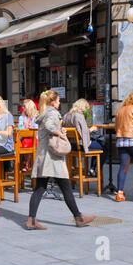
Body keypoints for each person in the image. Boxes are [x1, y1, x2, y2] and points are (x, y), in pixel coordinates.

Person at [28, 90, 95, 230]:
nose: (59, 103)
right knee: (66, 187)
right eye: (58, 101)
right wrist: (60, 132)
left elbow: (47, 128)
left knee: (40, 188)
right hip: (53, 157)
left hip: (44, 155)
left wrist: (59, 130)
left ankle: (31, 220)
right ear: (53, 102)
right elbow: (50, 126)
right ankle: (79, 218)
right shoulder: (52, 112)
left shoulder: (45, 113)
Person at [62, 99, 107, 178]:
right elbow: (84, 133)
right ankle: (95, 170)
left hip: (72, 145)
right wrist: (91, 129)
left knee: (97, 145)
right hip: (81, 145)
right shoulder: (79, 116)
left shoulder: (66, 115)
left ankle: (92, 169)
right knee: (104, 147)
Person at [18, 99, 39, 171]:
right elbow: (19, 129)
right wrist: (25, 126)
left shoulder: (35, 117)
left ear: (29, 107)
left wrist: (26, 128)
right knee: (24, 141)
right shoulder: (21, 118)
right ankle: (27, 164)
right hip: (24, 139)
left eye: (24, 106)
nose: (22, 107)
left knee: (26, 142)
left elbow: (35, 130)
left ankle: (26, 163)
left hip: (35, 138)